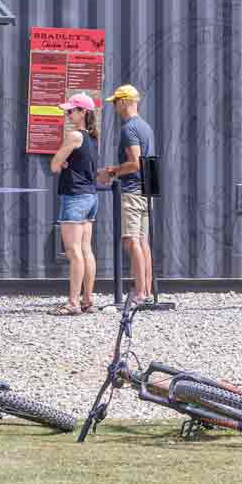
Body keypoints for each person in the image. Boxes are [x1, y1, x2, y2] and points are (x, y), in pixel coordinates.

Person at [99, 85, 156, 306]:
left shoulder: (129, 129)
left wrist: (111, 171)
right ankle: (147, 291)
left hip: (132, 190)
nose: (114, 107)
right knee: (142, 241)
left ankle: (140, 293)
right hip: (145, 190)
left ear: (124, 102)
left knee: (132, 241)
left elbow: (134, 163)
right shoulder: (145, 127)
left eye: (115, 102)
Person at [49, 93, 99, 316]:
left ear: (83, 113)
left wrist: (63, 162)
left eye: (71, 111)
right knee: (86, 250)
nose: (67, 114)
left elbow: (54, 164)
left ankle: (73, 302)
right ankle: (88, 299)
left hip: (75, 197)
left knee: (73, 251)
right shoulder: (92, 136)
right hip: (90, 196)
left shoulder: (74, 136)